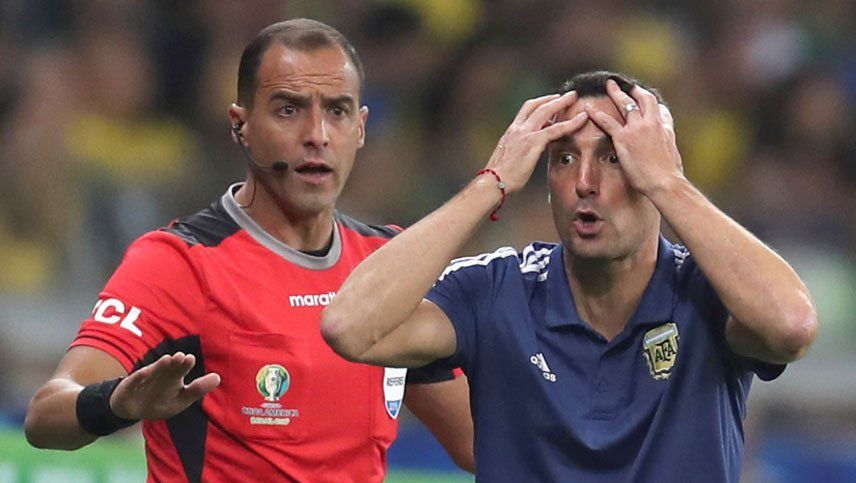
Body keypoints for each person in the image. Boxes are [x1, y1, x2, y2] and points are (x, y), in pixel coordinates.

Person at [24, 19, 474, 482]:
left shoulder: (386, 265)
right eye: (288, 110)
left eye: (337, 111)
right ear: (241, 126)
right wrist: (116, 404)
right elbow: (45, 415)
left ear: (360, 128)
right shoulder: (181, 263)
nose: (317, 134)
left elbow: (477, 444)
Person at [321, 71, 819, 482]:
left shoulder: (707, 292)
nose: (584, 182)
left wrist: (669, 183)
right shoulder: (496, 289)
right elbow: (350, 327)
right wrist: (492, 183)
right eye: (564, 159)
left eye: (614, 156)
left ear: (655, 167)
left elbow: (791, 326)